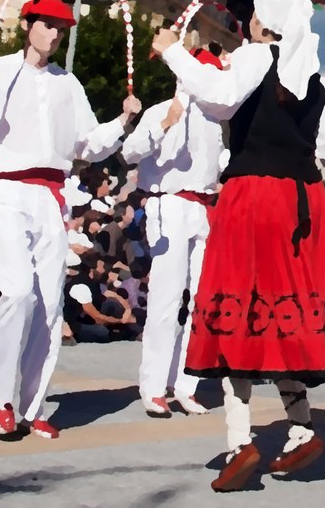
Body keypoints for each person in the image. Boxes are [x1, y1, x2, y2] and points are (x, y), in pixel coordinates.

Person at [152, 0, 325, 492]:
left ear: (265, 22)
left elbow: (217, 98)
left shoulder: (255, 58)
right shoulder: (315, 81)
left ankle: (240, 440)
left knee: (239, 307)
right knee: (280, 310)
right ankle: (301, 426)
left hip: (255, 193)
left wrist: (174, 52)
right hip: (303, 200)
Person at [0, 0, 141, 439]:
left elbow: (87, 144)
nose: (54, 35)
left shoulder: (68, 84)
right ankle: (2, 402)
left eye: (61, 29)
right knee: (18, 293)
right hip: (8, 190)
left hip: (52, 196)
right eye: (47, 25)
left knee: (49, 304)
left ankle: (33, 406)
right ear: (29, 25)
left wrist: (123, 120)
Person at [122, 48, 228, 417]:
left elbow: (221, 167)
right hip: (167, 204)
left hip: (203, 210)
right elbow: (131, 152)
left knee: (202, 300)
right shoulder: (160, 110)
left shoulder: (215, 122)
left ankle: (186, 382)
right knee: (167, 299)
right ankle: (153, 387)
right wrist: (164, 124)